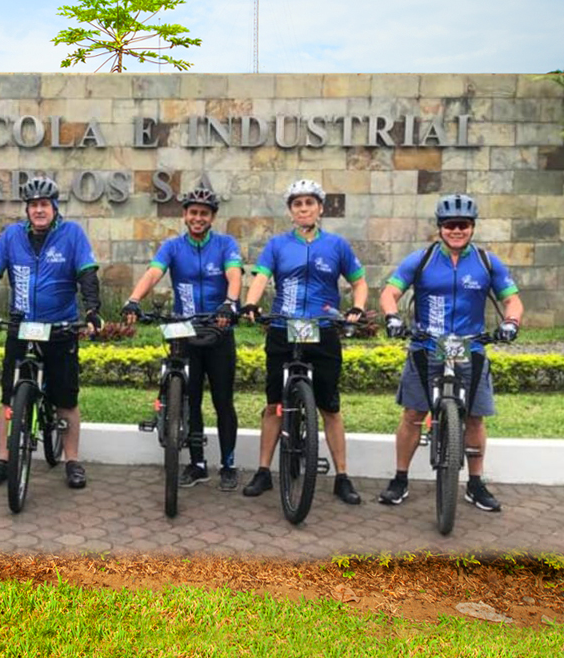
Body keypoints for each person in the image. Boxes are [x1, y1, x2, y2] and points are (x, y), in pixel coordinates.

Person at [378, 193, 523, 512]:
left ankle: (475, 483)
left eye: (463, 225)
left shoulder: (486, 262)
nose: (456, 230)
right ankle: (400, 479)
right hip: (426, 346)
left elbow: (512, 298)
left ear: (472, 227)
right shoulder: (422, 259)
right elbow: (390, 292)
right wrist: (392, 316)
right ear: (440, 227)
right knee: (413, 415)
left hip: (471, 347)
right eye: (450, 225)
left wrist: (511, 322)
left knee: (474, 417)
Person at [0, 175, 103, 490]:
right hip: (21, 326)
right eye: (33, 205)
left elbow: (87, 275)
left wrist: (93, 310)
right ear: (27, 209)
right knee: (8, 398)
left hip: (60, 328)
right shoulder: (12, 236)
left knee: (66, 399)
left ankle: (71, 460)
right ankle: (3, 458)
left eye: (44, 204)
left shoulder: (72, 235)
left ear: (54, 207)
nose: (39, 210)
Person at [239, 179, 368, 505]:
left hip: (322, 328)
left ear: (320, 208)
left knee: (330, 407)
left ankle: (342, 476)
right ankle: (263, 471)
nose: (304, 209)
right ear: (291, 211)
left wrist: (357, 307)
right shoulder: (278, 245)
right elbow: (261, 278)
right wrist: (252, 303)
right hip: (283, 327)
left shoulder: (337, 245)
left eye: (309, 203)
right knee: (273, 405)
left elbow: (359, 282)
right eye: (297, 204)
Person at [121, 186, 244, 491]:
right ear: (185, 215)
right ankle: (198, 464)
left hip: (218, 329)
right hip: (185, 330)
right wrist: (134, 299)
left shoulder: (225, 244)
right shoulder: (173, 247)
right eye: (193, 212)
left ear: (212, 217)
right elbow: (154, 273)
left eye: (204, 213)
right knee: (191, 400)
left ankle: (228, 464)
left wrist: (230, 303)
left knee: (222, 401)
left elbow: (234, 274)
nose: (198, 218)